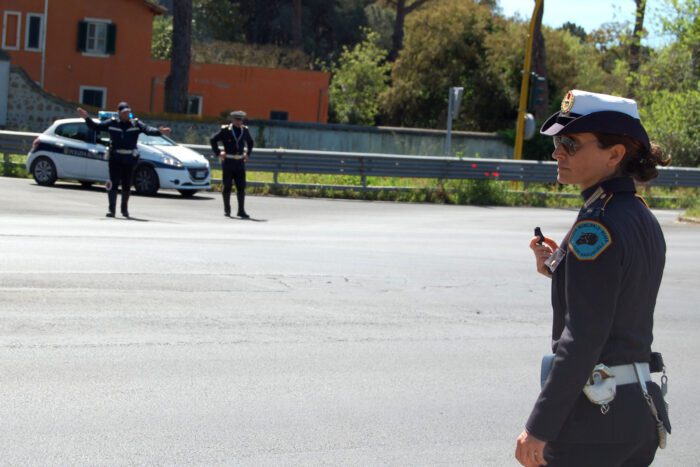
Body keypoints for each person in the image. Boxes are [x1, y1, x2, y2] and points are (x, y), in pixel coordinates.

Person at [514, 90, 672, 467]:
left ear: (615, 154)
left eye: (570, 143)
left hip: (595, 421)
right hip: (636, 414)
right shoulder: (638, 214)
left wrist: (540, 426)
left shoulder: (597, 223)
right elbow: (619, 294)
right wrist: (557, 265)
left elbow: (583, 337)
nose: (558, 152)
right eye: (557, 142)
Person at [77, 102, 171, 218]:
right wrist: (86, 117)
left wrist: (159, 131)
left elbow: (147, 130)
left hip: (129, 159)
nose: (127, 114)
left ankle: (124, 210)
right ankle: (112, 210)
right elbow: (95, 127)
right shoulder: (112, 123)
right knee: (113, 183)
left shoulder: (135, 124)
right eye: (124, 112)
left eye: (128, 112)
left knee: (127, 185)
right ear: (119, 113)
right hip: (115, 158)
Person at [210, 110, 254, 218]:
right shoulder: (226, 130)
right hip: (228, 161)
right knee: (227, 186)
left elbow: (251, 142)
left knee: (241, 187)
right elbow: (213, 140)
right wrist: (218, 152)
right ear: (232, 120)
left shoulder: (245, 131)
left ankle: (241, 210)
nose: (239, 122)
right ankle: (227, 210)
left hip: (240, 162)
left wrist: (247, 153)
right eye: (237, 119)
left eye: (240, 120)